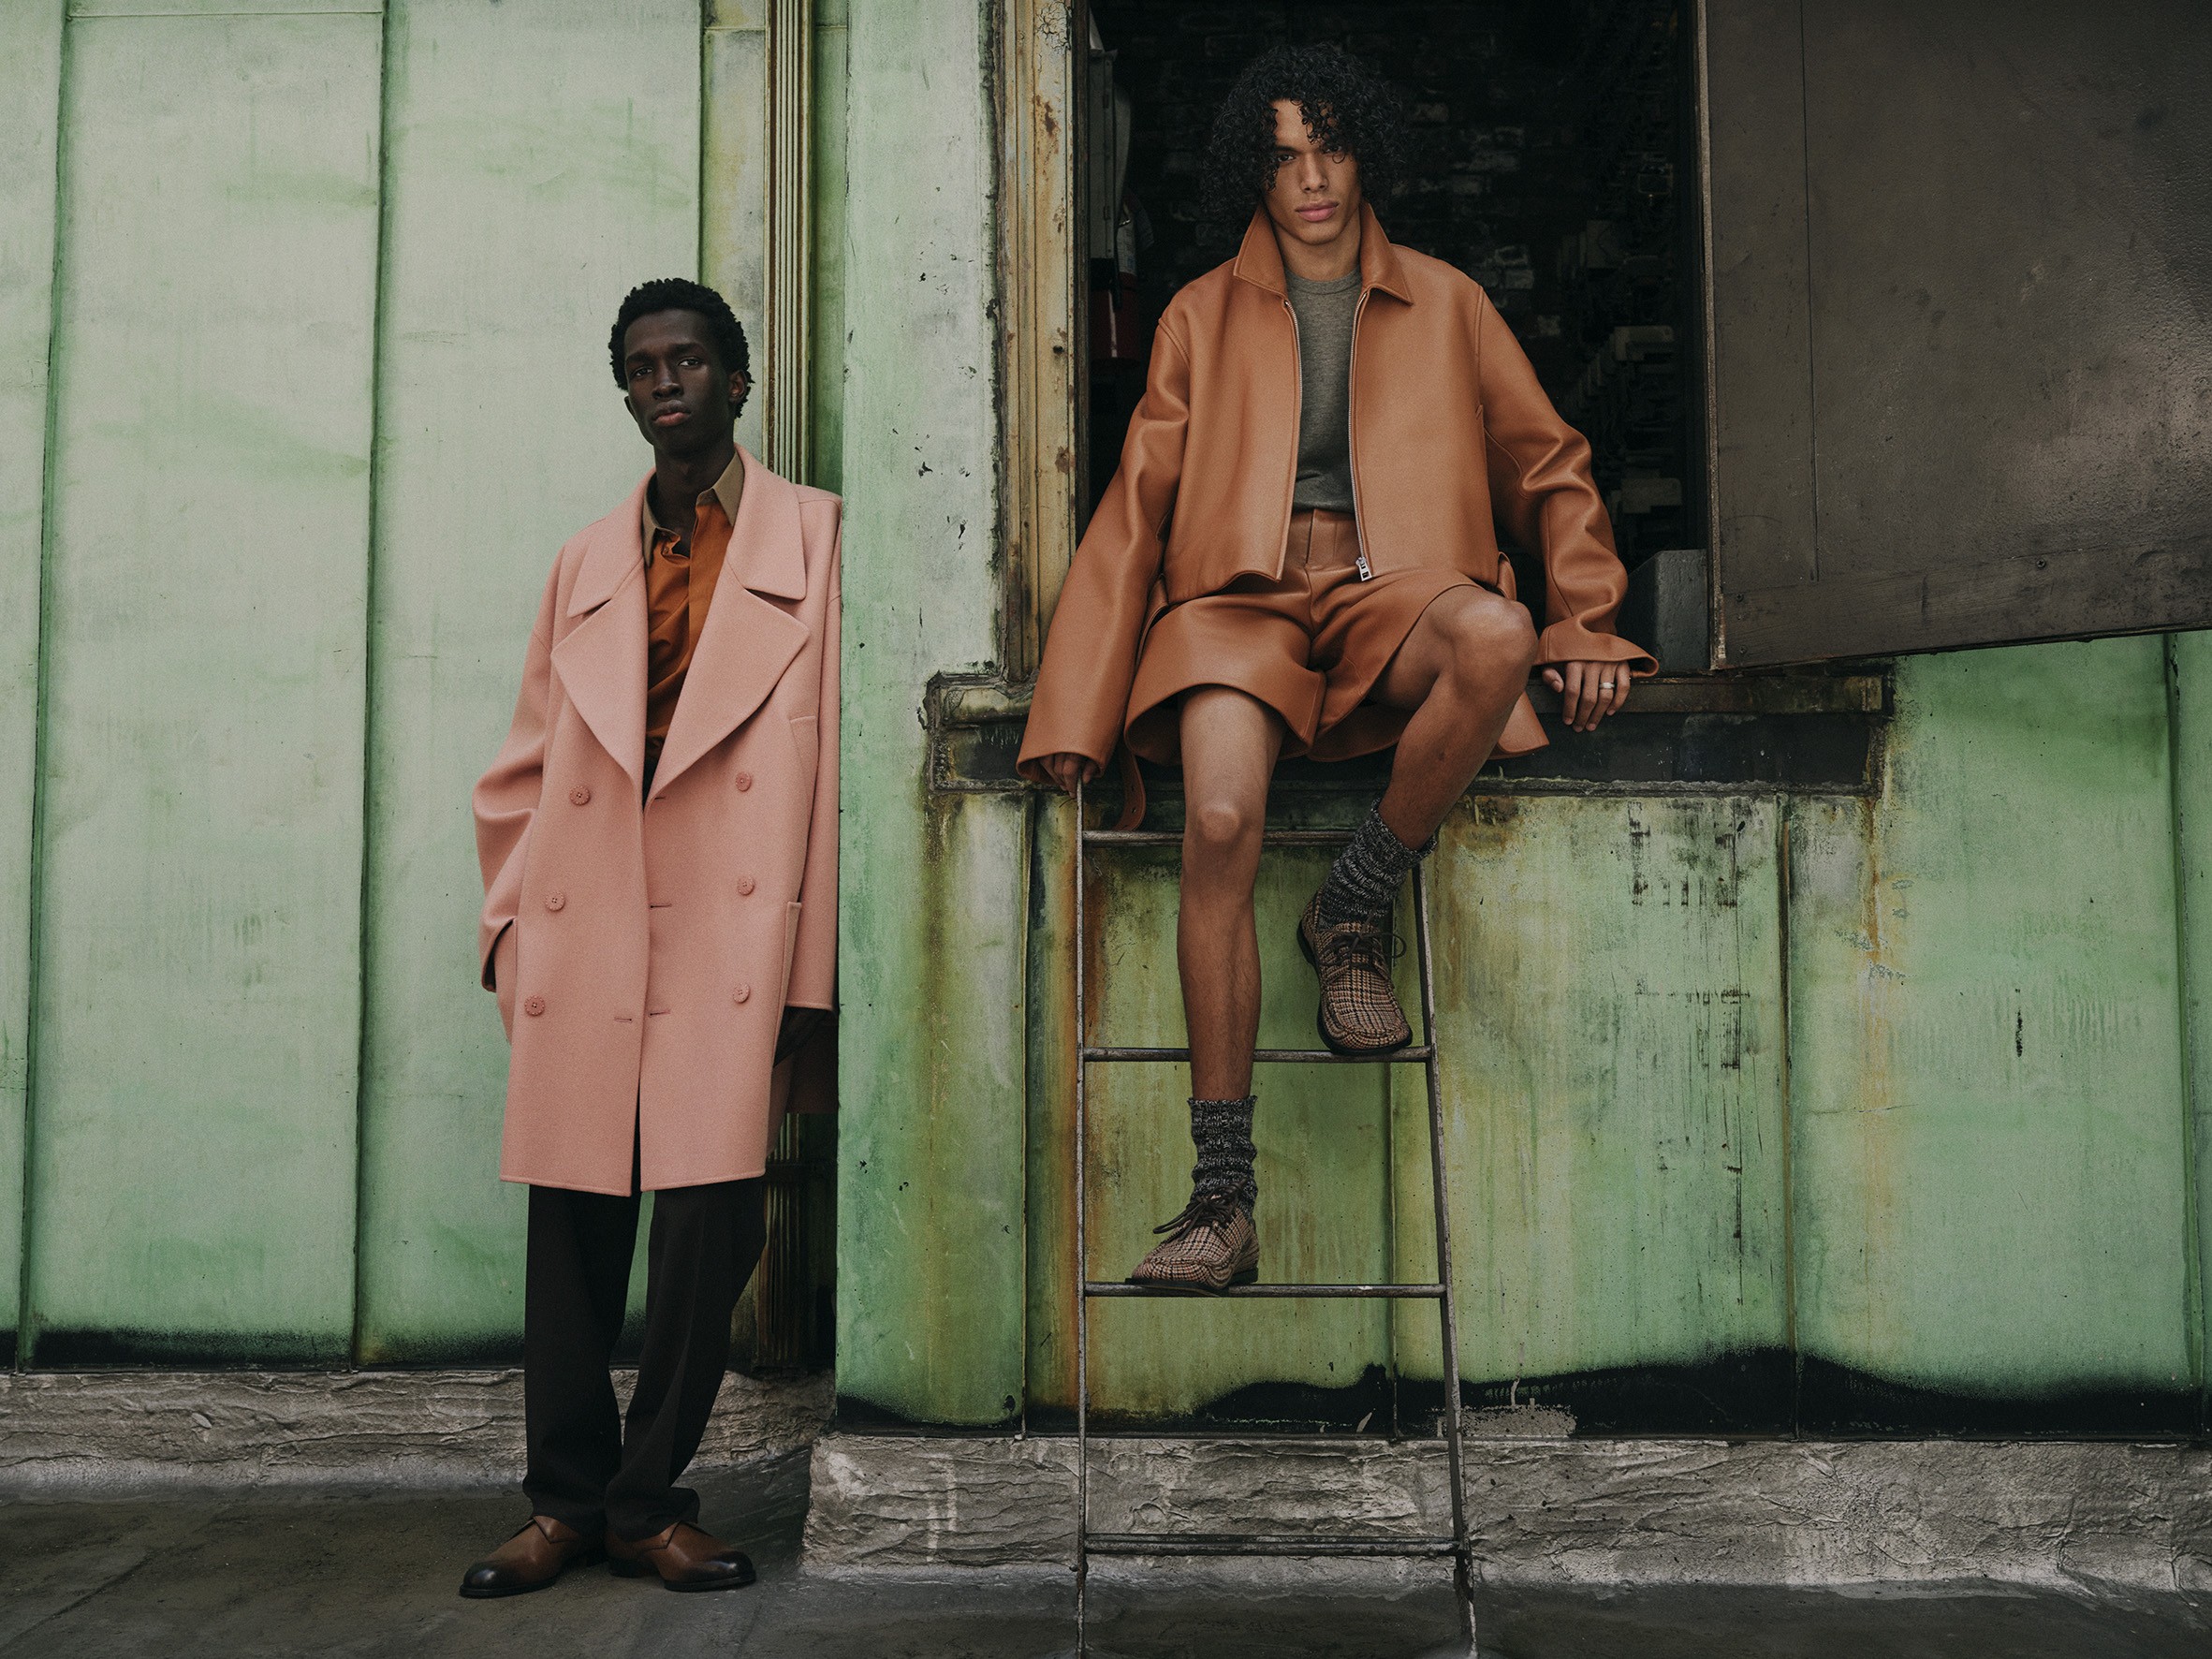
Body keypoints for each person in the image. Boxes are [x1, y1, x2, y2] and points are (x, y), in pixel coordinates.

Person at [1018, 46, 1650, 1292]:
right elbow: (1135, 511)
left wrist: (1584, 618)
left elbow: (1549, 465)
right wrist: (1077, 704)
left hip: (1392, 588)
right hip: (1234, 606)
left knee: (1498, 635)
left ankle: (1352, 907)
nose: (1309, 178)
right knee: (1217, 818)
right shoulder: (1197, 313)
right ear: (1249, 175)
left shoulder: (1451, 302)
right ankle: (1222, 1204)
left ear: (1368, 156)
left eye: (1330, 147)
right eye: (1282, 156)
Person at [461, 278, 839, 1596]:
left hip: (734, 920)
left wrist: (808, 970)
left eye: (687, 359)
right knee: (571, 1223)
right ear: (626, 393)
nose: (664, 381)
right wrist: (512, 930)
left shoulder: (817, 539)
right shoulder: (584, 559)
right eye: (640, 366)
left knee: (709, 1227)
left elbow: (833, 782)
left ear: (738, 379)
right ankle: (562, 1506)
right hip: (593, 908)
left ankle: (644, 1503)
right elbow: (522, 767)